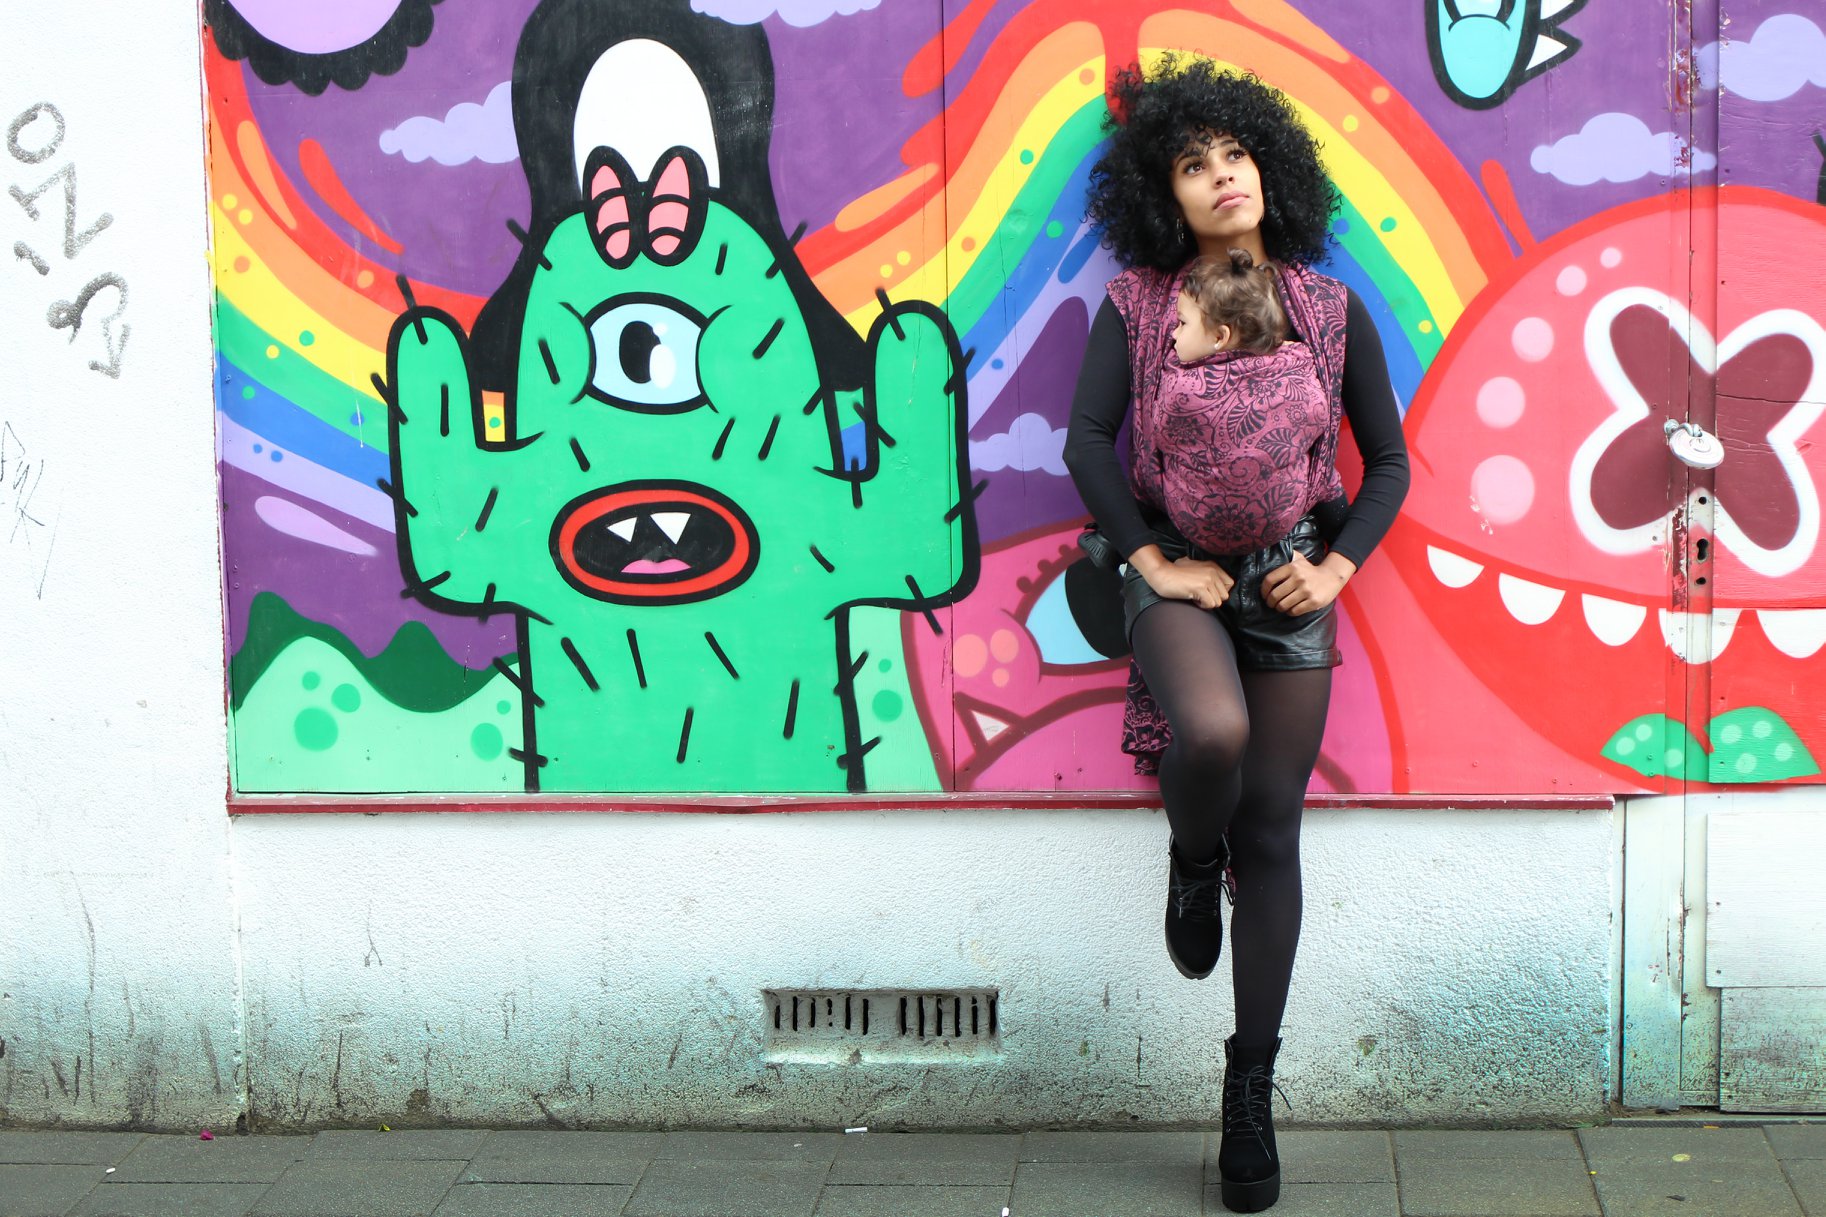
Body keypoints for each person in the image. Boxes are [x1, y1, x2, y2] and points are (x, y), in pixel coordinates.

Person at [1063, 57, 1409, 1214]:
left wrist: (1335, 565)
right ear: (1160, 195)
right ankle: (1187, 851)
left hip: (1291, 576)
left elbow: (1386, 460)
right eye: (1191, 163)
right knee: (1207, 736)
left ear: (1271, 170)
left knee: (1272, 828)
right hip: (1178, 568)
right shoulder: (1137, 307)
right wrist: (1149, 559)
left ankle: (1247, 1087)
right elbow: (1086, 443)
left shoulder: (1325, 309)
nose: (1221, 176)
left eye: (1236, 154)